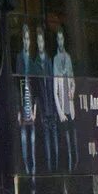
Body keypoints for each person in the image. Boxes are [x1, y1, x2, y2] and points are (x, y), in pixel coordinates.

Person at [33, 26, 58, 173]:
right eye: (38, 42)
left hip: (52, 108)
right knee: (48, 141)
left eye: (42, 42)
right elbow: (36, 90)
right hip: (43, 109)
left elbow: (54, 85)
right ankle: (50, 169)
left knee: (54, 140)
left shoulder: (50, 62)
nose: (40, 45)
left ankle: (55, 168)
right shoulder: (35, 64)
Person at [53, 27, 78, 171]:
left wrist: (72, 92)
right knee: (67, 140)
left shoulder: (68, 58)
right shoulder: (55, 60)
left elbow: (73, 81)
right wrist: (60, 112)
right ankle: (70, 166)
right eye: (58, 39)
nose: (61, 41)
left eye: (62, 38)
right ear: (57, 41)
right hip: (63, 108)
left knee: (74, 137)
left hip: (71, 106)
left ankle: (76, 164)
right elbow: (55, 91)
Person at [16, 24, 37, 178]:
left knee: (33, 145)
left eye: (28, 38)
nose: (26, 41)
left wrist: (36, 110)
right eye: (24, 38)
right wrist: (18, 109)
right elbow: (17, 84)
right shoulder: (19, 58)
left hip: (32, 111)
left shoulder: (32, 59)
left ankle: (34, 175)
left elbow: (36, 86)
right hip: (23, 108)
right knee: (24, 143)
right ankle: (27, 173)